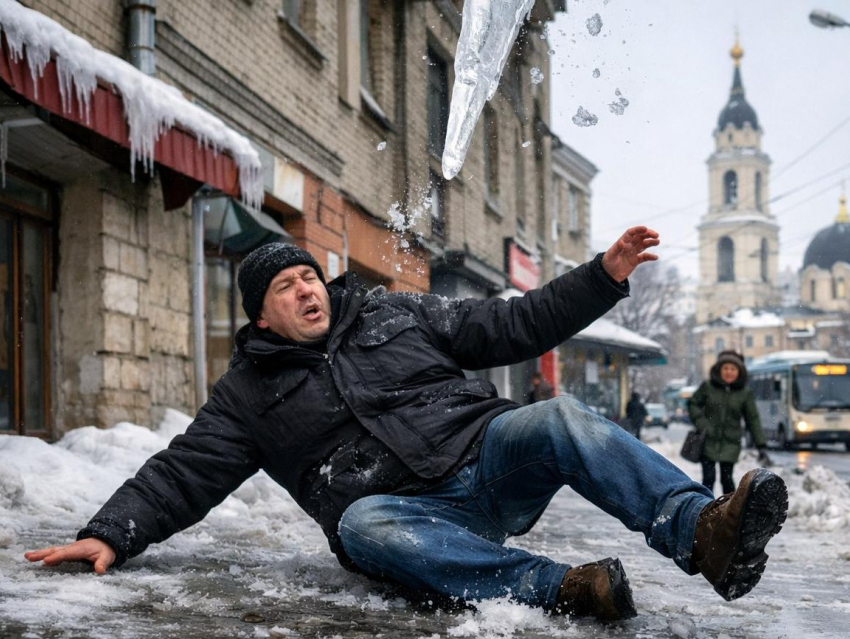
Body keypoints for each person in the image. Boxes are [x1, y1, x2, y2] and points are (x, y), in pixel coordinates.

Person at [25, 228, 788, 622]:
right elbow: (182, 472)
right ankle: (561, 590)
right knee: (361, 526)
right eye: (286, 288)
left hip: (486, 459)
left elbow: (513, 323)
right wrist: (112, 530)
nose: (306, 290)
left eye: (308, 277)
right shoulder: (245, 397)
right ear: (262, 313)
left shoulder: (393, 310)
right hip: (409, 514)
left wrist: (602, 276)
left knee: (559, 416)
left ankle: (700, 531)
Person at [688, 350, 770, 495]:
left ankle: (729, 514)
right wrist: (701, 422)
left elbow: (753, 418)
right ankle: (705, 511)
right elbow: (693, 403)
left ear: (739, 372)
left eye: (733, 369)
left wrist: (760, 445)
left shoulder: (744, 393)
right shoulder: (708, 387)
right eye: (725, 368)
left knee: (727, 480)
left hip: (730, 443)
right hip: (708, 440)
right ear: (719, 370)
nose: (729, 372)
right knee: (708, 479)